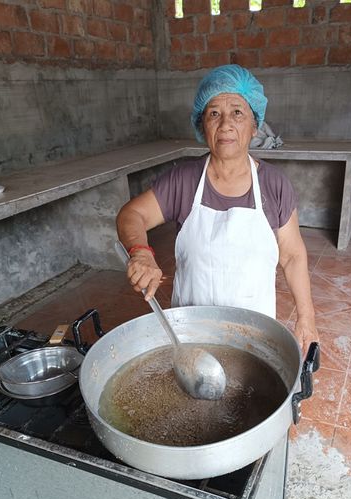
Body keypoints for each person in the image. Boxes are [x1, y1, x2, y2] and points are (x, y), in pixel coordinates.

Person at [116, 65, 318, 357]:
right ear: (203, 126)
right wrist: (141, 252)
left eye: (237, 112)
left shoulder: (274, 184)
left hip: (254, 335)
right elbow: (131, 215)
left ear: (254, 126)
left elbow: (293, 255)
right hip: (190, 333)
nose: (225, 125)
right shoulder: (184, 180)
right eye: (214, 114)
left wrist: (307, 318)